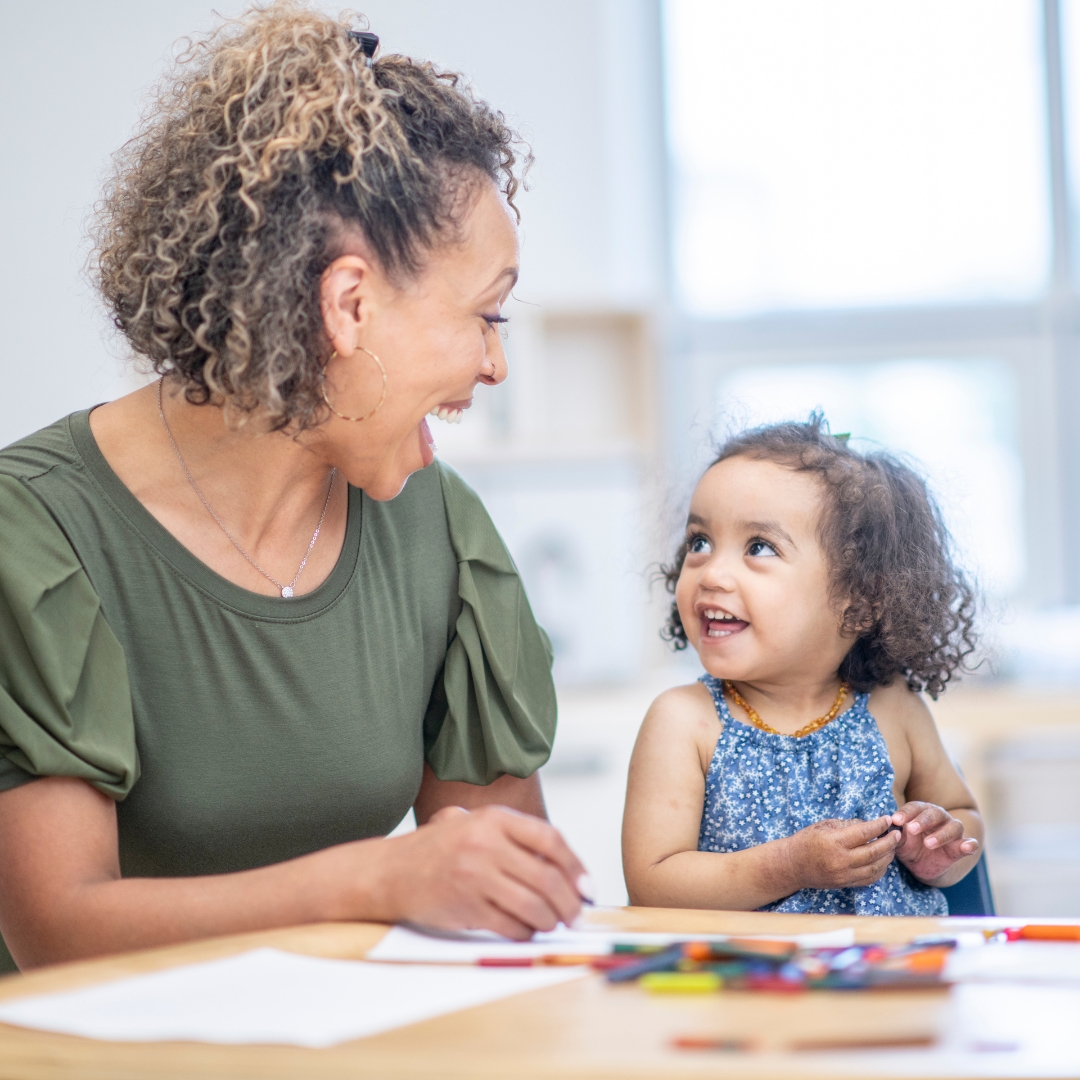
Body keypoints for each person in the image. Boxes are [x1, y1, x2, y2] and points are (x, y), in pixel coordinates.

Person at [0, 3, 591, 973]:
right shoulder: (36, 533)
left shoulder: (441, 531)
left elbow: (503, 898)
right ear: (349, 305)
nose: (496, 366)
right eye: (486, 316)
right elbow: (58, 930)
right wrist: (372, 879)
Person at [622, 415, 984, 915]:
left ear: (859, 599)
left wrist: (937, 850)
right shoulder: (684, 720)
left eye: (759, 547)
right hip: (743, 984)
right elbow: (652, 885)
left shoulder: (894, 706)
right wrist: (790, 865)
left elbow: (963, 818)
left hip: (891, 979)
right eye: (699, 542)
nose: (712, 573)